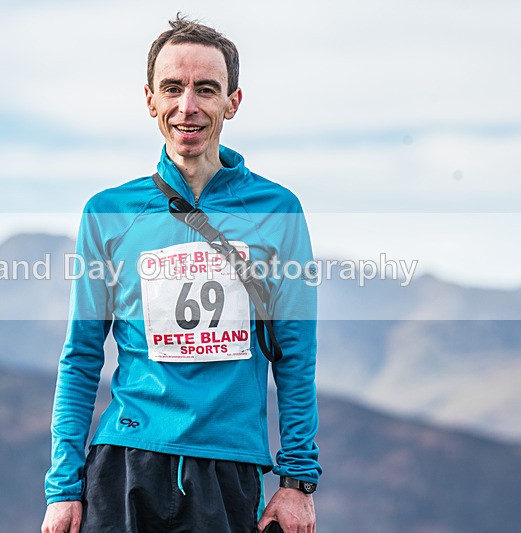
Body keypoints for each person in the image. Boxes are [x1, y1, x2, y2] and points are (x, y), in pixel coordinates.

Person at [42, 15, 321, 533]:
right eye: (172, 88)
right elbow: (81, 356)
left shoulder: (278, 210)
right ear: (150, 99)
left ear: (232, 102)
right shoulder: (109, 212)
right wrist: (63, 487)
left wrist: (298, 480)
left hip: (229, 467)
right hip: (124, 462)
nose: (187, 106)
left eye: (205, 89)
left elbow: (297, 355)